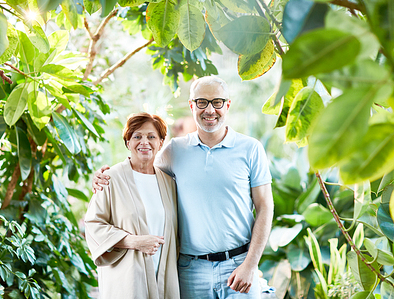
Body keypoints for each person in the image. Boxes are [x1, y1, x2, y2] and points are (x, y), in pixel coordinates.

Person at [93, 77, 274, 299]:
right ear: (191, 106)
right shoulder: (175, 150)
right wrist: (106, 176)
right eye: (201, 102)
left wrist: (250, 264)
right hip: (190, 270)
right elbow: (144, 171)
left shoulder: (251, 149)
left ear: (227, 105)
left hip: (238, 267)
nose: (209, 110)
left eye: (217, 102)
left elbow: (265, 207)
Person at [85, 113, 180, 299]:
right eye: (137, 136)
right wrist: (133, 241)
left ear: (161, 143)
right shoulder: (110, 178)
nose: (144, 142)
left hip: (163, 278)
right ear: (128, 142)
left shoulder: (169, 183)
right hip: (127, 281)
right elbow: (93, 225)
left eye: (151, 136)